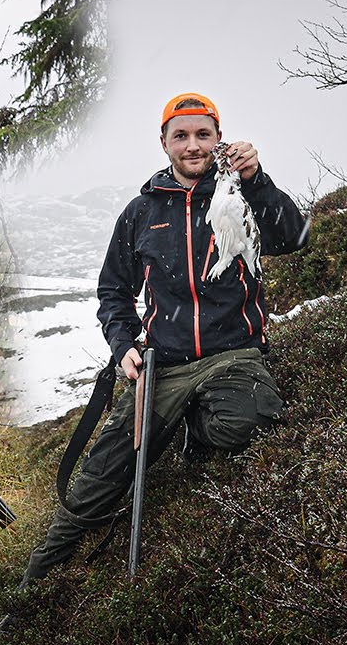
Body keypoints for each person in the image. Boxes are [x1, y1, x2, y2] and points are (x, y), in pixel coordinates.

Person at [19, 92, 309, 584]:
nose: (193, 145)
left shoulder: (240, 197)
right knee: (99, 479)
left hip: (233, 355)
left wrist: (257, 179)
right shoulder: (141, 212)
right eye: (182, 136)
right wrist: (123, 346)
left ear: (219, 139)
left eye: (203, 135)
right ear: (164, 142)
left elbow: (295, 238)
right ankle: (32, 587)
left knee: (251, 423)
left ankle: (196, 425)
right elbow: (114, 292)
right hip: (164, 365)